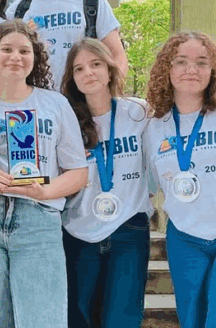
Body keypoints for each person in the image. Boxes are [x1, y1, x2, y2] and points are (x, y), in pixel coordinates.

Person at [0, 20, 88, 328]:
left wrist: (47, 191)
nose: (16, 57)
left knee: (42, 319)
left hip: (38, 220)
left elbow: (78, 172)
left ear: (35, 59)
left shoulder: (55, 104)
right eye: (7, 49)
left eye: (25, 51)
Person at [143, 31, 216, 328]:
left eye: (201, 62)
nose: (191, 70)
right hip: (185, 237)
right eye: (181, 62)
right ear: (167, 69)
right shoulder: (155, 125)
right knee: (193, 320)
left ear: (214, 69)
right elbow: (154, 184)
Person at [60, 39, 152, 328]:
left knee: (122, 318)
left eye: (96, 64)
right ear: (72, 79)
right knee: (78, 317)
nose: (89, 72)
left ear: (110, 70)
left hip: (128, 228)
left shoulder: (139, 113)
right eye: (79, 68)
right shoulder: (66, 120)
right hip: (78, 229)